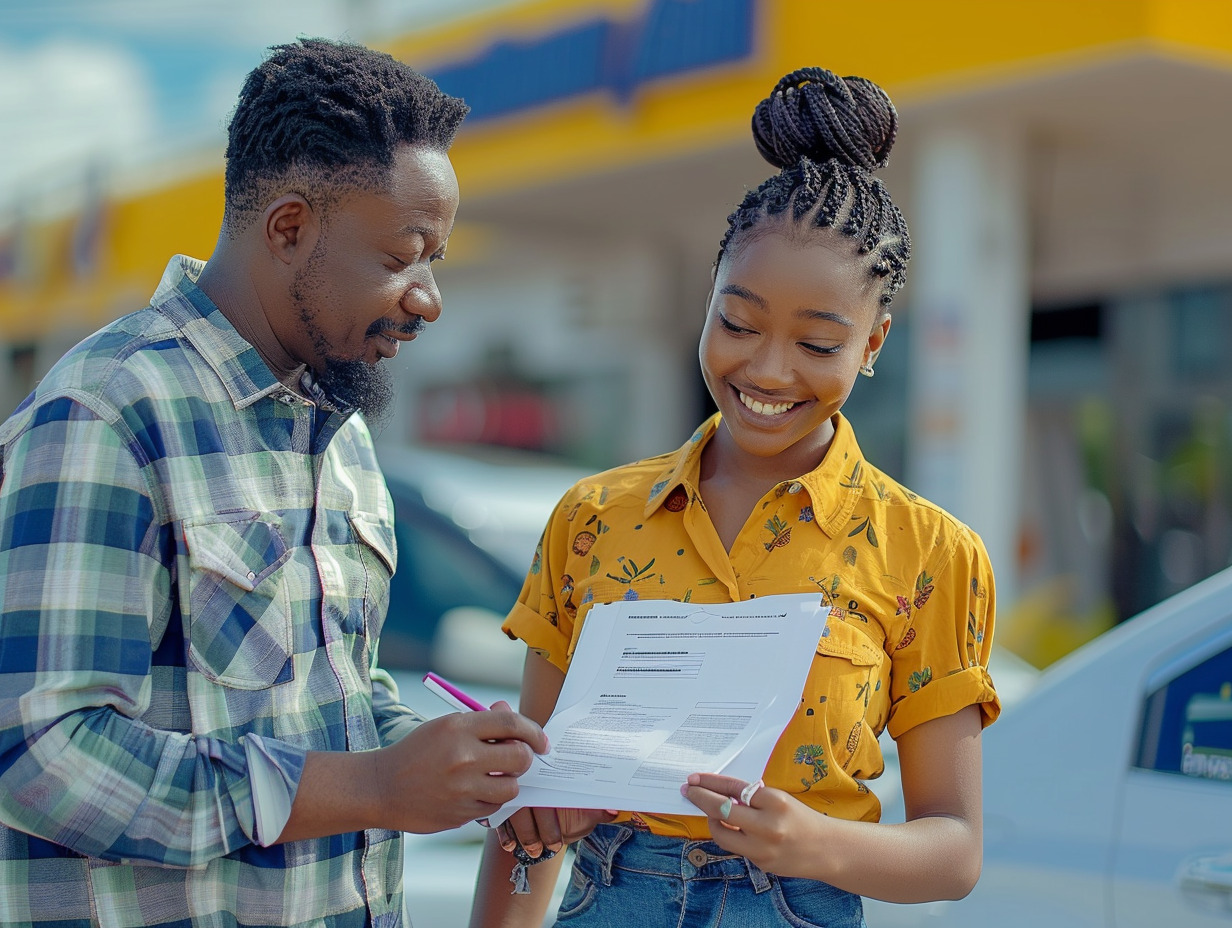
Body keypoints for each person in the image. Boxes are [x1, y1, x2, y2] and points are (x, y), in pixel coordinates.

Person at [0, 38, 548, 928]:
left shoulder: (342, 435)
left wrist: (439, 761)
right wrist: (368, 786)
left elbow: (338, 698)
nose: (429, 298)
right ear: (289, 228)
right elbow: (38, 755)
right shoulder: (106, 414)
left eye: (437, 259)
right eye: (406, 255)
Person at [469, 66, 1001, 928]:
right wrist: (530, 811)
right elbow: (526, 813)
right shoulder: (593, 518)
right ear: (708, 299)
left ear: (873, 343)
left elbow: (954, 851)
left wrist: (814, 845)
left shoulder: (931, 552)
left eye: (818, 343)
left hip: (797, 905)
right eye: (738, 323)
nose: (765, 370)